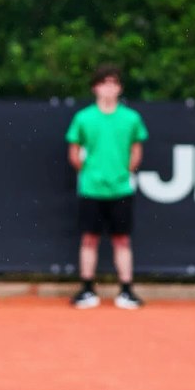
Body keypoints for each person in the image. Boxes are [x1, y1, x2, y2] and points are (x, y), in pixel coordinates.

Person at [65, 63, 149, 309]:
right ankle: (87, 289)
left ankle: (126, 291)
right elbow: (74, 152)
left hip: (121, 189)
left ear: (120, 88)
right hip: (91, 189)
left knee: (122, 240)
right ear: (95, 88)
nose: (109, 88)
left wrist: (122, 173)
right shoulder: (83, 118)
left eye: (113, 83)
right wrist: (90, 174)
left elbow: (136, 151)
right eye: (104, 83)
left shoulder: (131, 118)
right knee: (89, 240)